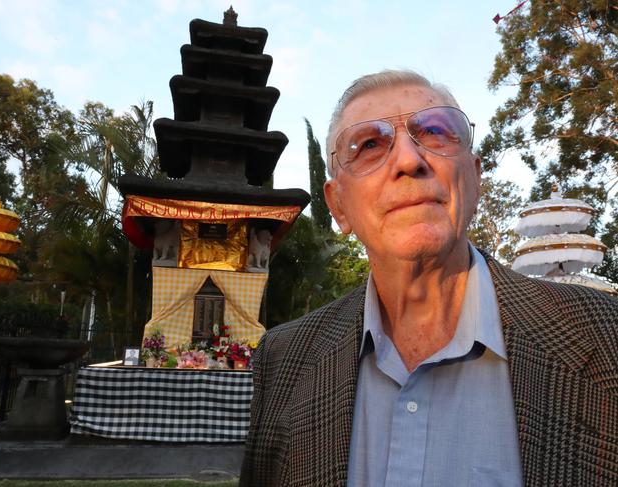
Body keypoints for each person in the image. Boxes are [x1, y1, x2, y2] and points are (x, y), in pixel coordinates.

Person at [239, 70, 618, 487]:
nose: (408, 161)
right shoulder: (283, 359)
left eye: (435, 132)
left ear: (474, 180)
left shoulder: (604, 337)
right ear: (339, 206)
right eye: (369, 145)